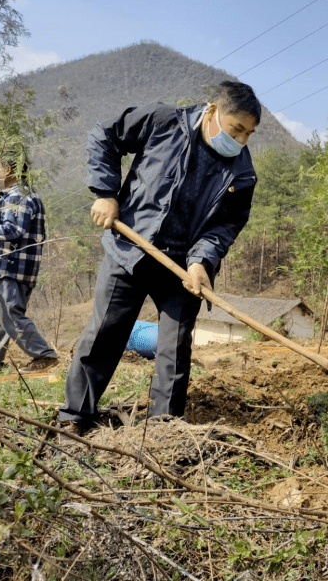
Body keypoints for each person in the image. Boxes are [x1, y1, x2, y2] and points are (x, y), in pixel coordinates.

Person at [58, 81, 261, 431]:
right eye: (236, 129)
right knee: (104, 336)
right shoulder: (164, 121)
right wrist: (106, 193)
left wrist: (201, 261)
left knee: (174, 351)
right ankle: (74, 417)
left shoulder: (241, 173)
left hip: (182, 269)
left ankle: (164, 431)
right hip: (131, 250)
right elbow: (104, 135)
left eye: (249, 134)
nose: (241, 140)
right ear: (213, 111)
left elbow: (225, 226)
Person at [0, 152, 58, 374]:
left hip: (11, 268)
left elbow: (13, 231)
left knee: (10, 314)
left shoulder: (18, 196)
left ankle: (43, 354)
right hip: (5, 268)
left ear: (9, 170)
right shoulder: (9, 197)